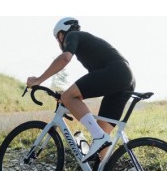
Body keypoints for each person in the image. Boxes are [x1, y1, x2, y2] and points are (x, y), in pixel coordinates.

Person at [26, 17, 136, 162]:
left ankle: (99, 138)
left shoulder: (73, 35)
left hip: (116, 72)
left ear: (61, 35)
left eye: (57, 38)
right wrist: (67, 96)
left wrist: (39, 80)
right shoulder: (88, 44)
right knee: (102, 134)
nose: (59, 42)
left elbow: (65, 58)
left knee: (97, 133)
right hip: (125, 78)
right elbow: (90, 86)